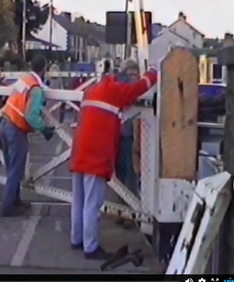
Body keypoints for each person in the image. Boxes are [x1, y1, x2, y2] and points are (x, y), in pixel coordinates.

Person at [69, 63, 157, 260]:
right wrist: (154, 73)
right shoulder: (115, 90)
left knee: (79, 200)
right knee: (93, 202)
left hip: (79, 149)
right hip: (96, 153)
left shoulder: (92, 90)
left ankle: (76, 239)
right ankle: (90, 248)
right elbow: (139, 88)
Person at [0, 55, 55, 217]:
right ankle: (9, 206)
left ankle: (14, 199)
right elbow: (31, 115)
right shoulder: (36, 89)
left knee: (11, 168)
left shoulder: (25, 79)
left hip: (5, 122)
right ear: (44, 69)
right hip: (16, 129)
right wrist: (44, 129)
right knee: (16, 170)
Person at [116, 59, 141, 196]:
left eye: (135, 75)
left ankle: (130, 198)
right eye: (130, 75)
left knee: (132, 169)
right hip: (120, 134)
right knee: (120, 168)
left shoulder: (141, 92)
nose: (133, 78)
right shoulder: (120, 90)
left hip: (132, 136)